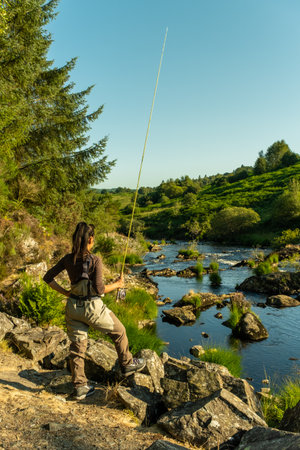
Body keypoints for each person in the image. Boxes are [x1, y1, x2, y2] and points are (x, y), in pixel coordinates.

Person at [43, 222, 145, 400]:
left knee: (77, 349)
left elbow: (48, 277)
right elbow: (99, 290)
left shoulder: (68, 259)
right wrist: (118, 284)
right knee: (120, 332)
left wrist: (66, 292)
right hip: (93, 308)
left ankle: (80, 387)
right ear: (90, 239)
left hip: (73, 308)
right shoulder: (95, 260)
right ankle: (127, 364)